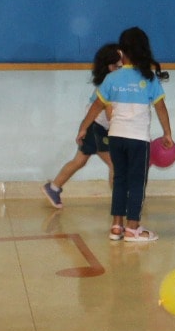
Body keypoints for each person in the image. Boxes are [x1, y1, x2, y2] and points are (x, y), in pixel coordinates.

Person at [82, 26, 173, 243]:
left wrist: (83, 127)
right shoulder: (149, 79)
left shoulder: (113, 78)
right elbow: (161, 108)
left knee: (120, 180)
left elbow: (96, 106)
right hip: (138, 140)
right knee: (137, 183)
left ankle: (116, 227)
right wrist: (167, 133)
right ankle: (133, 229)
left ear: (121, 53)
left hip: (116, 138)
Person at [42, 42, 122, 209]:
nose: (122, 69)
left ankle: (53, 187)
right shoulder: (110, 84)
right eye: (118, 66)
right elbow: (109, 114)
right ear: (109, 67)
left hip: (95, 125)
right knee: (115, 163)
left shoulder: (114, 81)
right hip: (97, 127)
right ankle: (120, 203)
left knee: (80, 160)